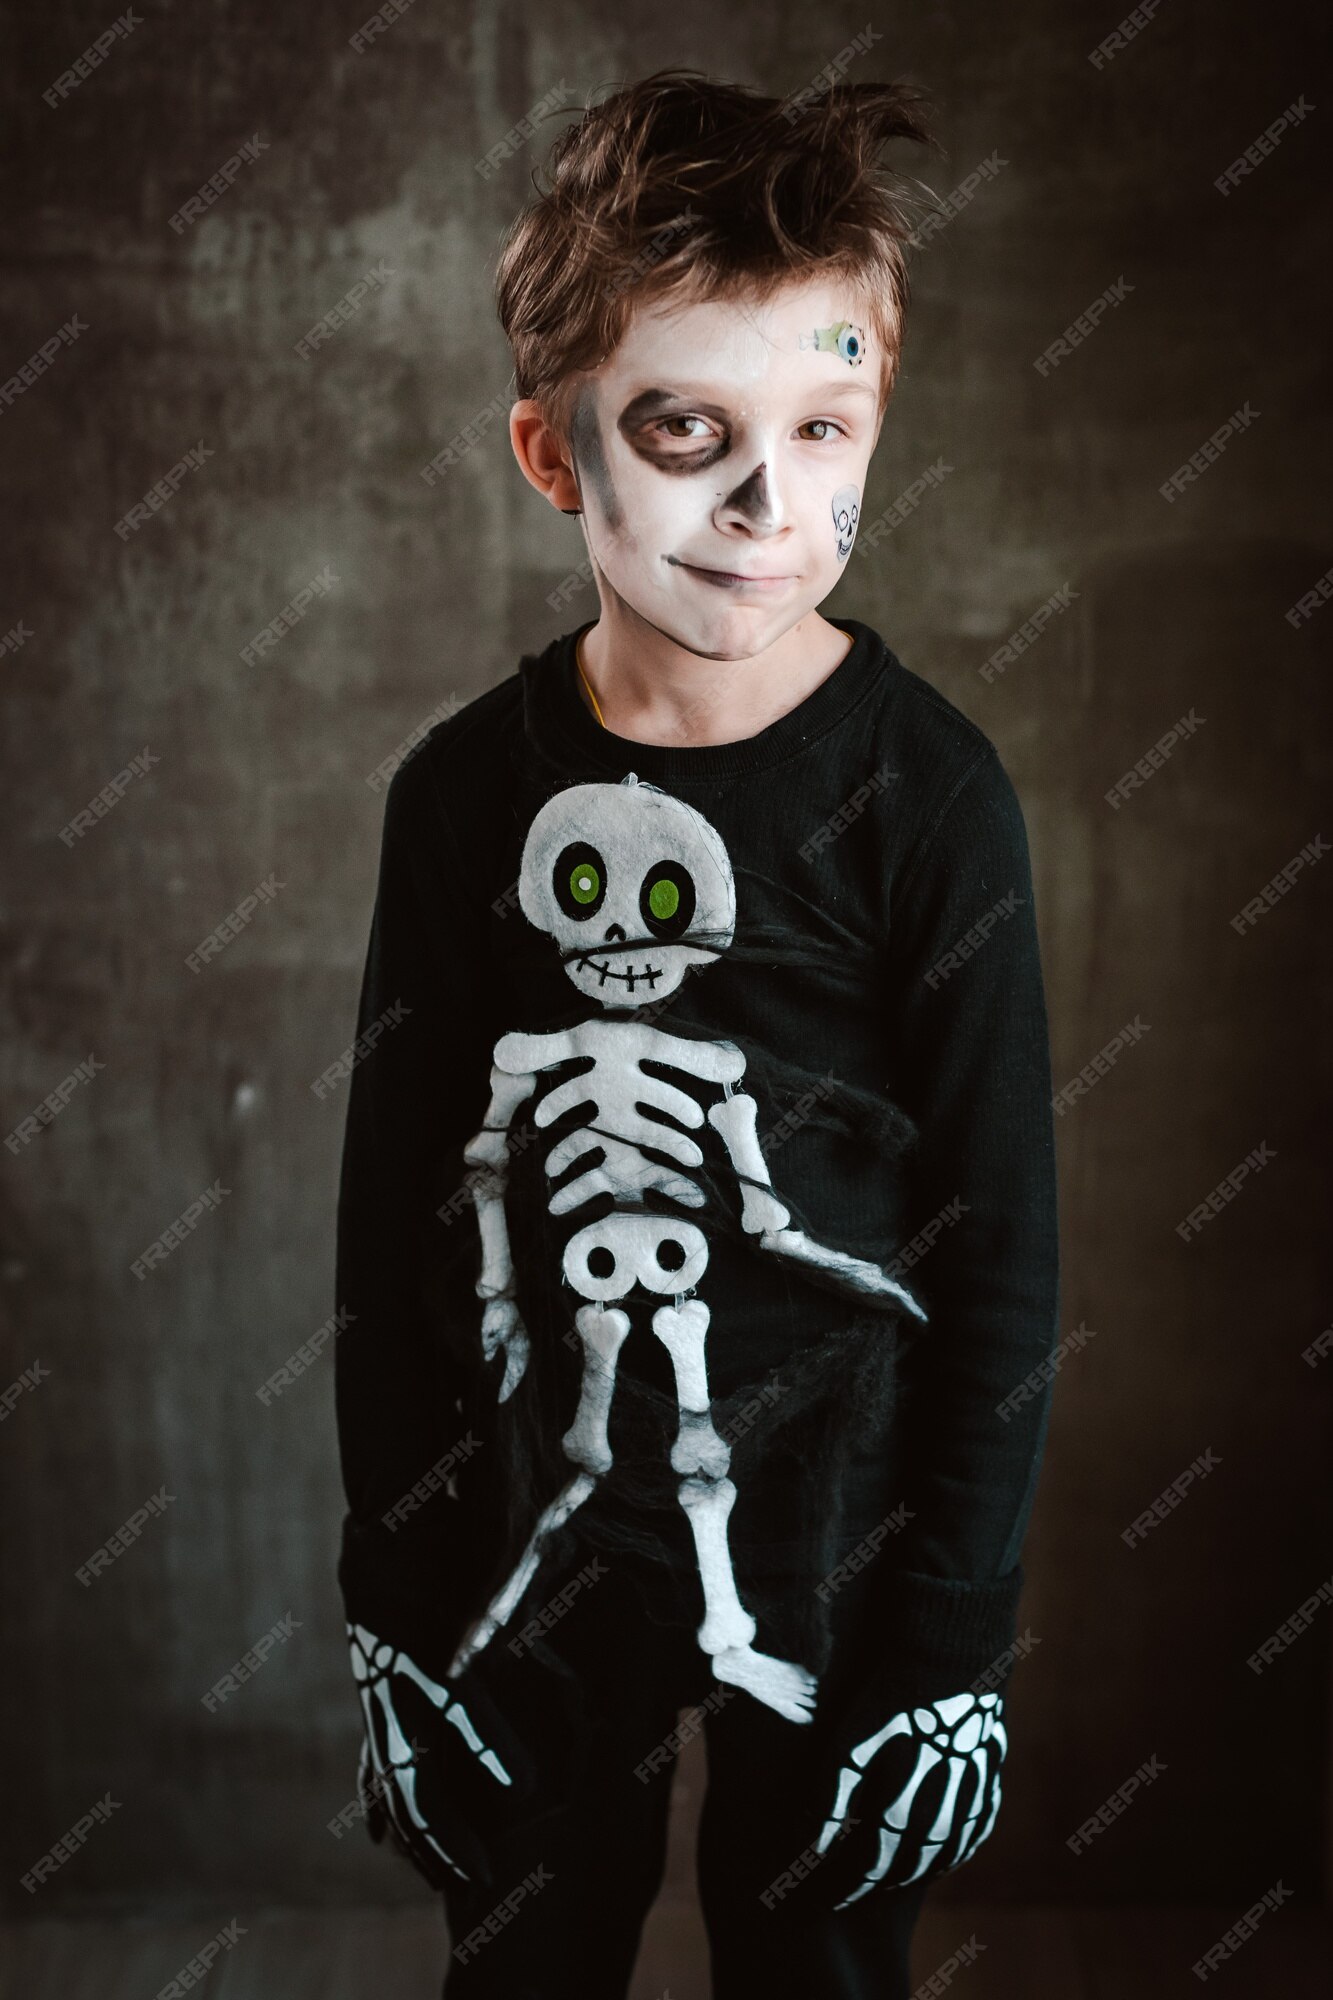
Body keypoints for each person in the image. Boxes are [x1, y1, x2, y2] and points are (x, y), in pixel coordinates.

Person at [333, 69, 1060, 2000]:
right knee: (523, 1965)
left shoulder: (929, 797)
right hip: (525, 1560)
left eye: (828, 428)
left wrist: (951, 1644)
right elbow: (392, 1221)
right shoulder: (459, 797)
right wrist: (393, 1603)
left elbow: (1002, 1248)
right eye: (688, 432)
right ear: (552, 455)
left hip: (844, 1546)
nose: (773, 506)